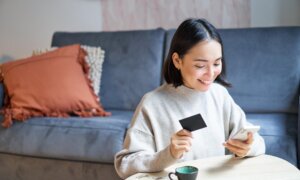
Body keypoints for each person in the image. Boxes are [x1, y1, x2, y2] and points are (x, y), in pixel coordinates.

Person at [114, 18, 265, 179]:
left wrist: (248, 148)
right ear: (177, 61)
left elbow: (258, 143)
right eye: (200, 66)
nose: (210, 73)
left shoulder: (219, 95)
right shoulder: (152, 104)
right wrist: (169, 154)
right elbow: (125, 165)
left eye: (216, 63)